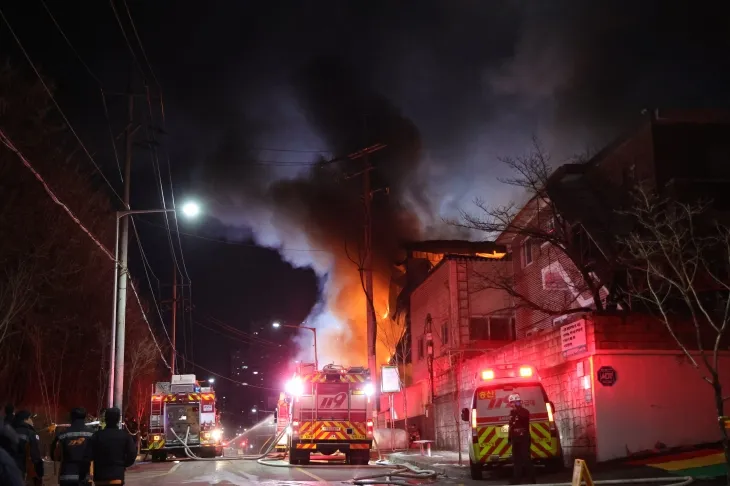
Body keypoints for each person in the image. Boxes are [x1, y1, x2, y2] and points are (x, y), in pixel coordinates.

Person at [84, 408, 136, 486]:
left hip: (100, 477)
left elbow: (88, 455)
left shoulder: (97, 435)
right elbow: (132, 454)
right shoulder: (125, 436)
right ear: (118, 420)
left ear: (105, 419)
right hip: (117, 476)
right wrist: (123, 465)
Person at [51, 408, 94, 486]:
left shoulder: (62, 435)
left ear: (71, 417)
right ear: (85, 417)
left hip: (66, 476)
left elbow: (55, 456)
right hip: (85, 477)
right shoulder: (92, 434)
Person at [508, 393, 535, 485]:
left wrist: (517, 409)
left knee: (526, 459)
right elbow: (511, 426)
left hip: (523, 439)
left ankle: (532, 480)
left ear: (518, 402)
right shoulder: (512, 412)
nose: (511, 405)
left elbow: (524, 419)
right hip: (515, 439)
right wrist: (509, 438)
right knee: (516, 460)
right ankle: (516, 480)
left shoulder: (525, 411)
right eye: (511, 403)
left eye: (513, 402)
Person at [11, 411, 43, 486]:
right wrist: (40, 471)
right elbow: (35, 456)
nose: (32, 421)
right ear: (25, 420)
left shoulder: (10, 431)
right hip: (24, 471)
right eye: (30, 418)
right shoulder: (30, 433)